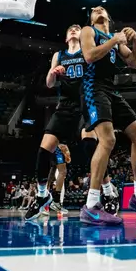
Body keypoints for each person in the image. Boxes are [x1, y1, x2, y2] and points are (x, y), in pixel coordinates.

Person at [79, 5, 136, 225]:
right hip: (93, 88)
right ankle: (90, 205)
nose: (97, 9)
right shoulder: (89, 31)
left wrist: (135, 41)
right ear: (92, 18)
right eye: (94, 9)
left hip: (110, 90)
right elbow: (89, 56)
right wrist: (114, 41)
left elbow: (134, 63)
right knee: (108, 139)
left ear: (109, 16)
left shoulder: (113, 38)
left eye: (101, 8)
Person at [26, 24, 84, 220]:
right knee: (43, 151)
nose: (74, 30)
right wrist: (53, 72)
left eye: (78, 28)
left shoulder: (88, 51)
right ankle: (43, 196)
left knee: (93, 148)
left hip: (86, 103)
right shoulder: (59, 55)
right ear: (66, 37)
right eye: (71, 30)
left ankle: (105, 194)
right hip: (65, 105)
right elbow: (49, 84)